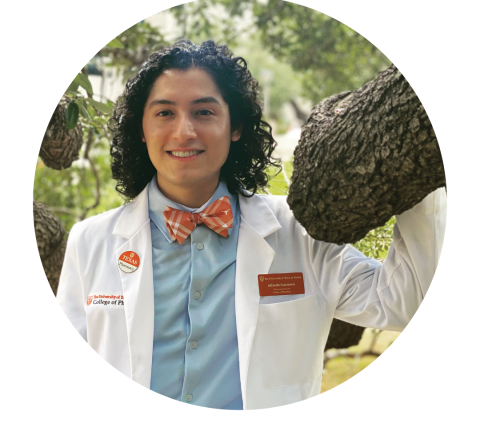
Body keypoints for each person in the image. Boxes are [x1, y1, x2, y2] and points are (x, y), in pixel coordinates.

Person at [57, 39, 447, 410]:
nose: (184, 131)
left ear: (236, 126)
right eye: (164, 113)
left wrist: (417, 166)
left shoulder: (300, 233)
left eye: (204, 112)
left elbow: (406, 301)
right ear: (141, 130)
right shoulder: (89, 241)